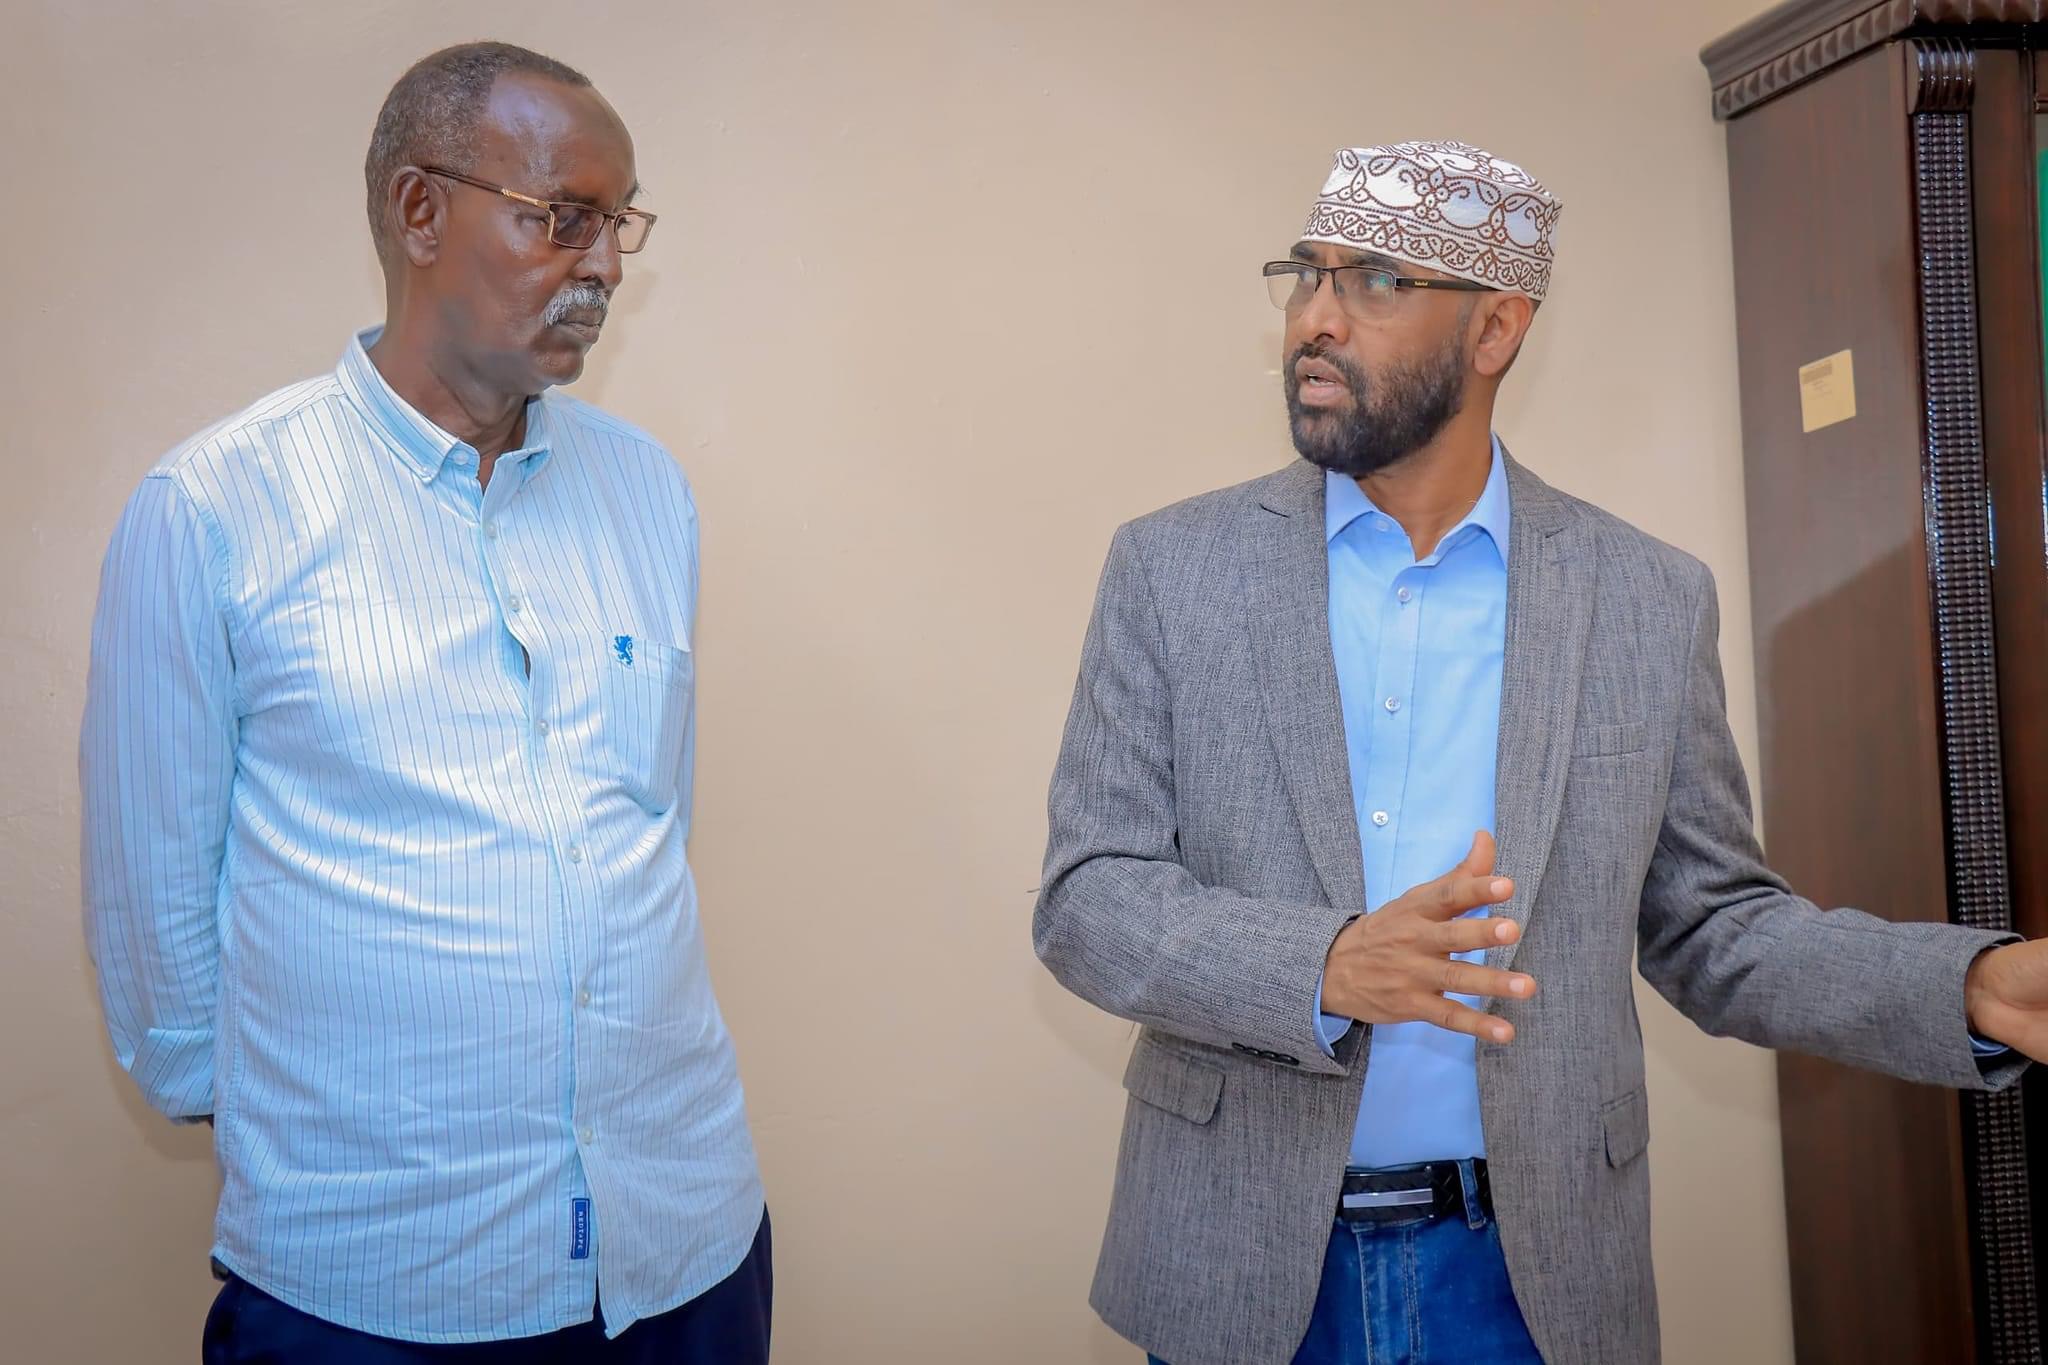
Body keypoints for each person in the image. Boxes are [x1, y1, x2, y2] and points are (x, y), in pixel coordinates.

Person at [1034, 139, 2048, 1365]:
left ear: (1495, 330)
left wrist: (1965, 989)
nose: (1313, 319)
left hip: (1530, 1279)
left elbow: (1712, 925)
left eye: (1372, 282)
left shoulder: (1642, 597)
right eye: (1304, 276)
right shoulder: (1172, 568)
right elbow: (1088, 898)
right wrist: (1325, 965)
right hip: (1232, 1261)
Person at [80, 41, 769, 1363]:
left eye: (618, 224)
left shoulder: (648, 493)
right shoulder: (215, 508)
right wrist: (325, 1135)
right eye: (563, 217)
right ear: (419, 211)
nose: (605, 266)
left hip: (684, 1248)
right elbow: (154, 918)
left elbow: (644, 828)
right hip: (380, 1285)